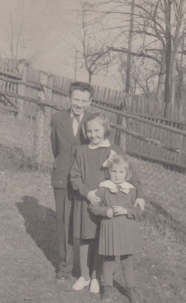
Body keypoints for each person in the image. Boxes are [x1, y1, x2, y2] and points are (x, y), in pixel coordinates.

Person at [70, 112, 144, 294]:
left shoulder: (116, 150)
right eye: (89, 131)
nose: (93, 135)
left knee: (100, 240)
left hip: (109, 205)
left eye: (97, 130)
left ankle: (96, 276)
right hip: (88, 202)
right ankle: (85, 275)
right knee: (85, 238)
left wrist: (140, 195)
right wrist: (87, 193)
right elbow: (75, 176)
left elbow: (130, 174)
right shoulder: (81, 151)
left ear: (105, 130)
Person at [50, 81, 94, 281]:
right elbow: (55, 147)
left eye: (84, 100)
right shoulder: (58, 118)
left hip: (86, 182)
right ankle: (65, 266)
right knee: (63, 221)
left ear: (90, 102)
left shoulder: (94, 121)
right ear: (69, 98)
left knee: (87, 223)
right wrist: (63, 168)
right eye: (76, 99)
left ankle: (89, 270)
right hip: (62, 179)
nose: (79, 104)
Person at [90, 154, 145, 303]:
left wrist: (126, 211)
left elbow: (139, 211)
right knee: (108, 259)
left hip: (127, 230)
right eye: (114, 171)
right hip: (109, 229)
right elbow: (93, 206)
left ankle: (131, 288)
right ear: (109, 172)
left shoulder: (131, 190)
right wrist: (104, 211)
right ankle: (107, 287)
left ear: (127, 174)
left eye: (121, 172)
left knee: (127, 260)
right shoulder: (103, 188)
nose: (117, 175)